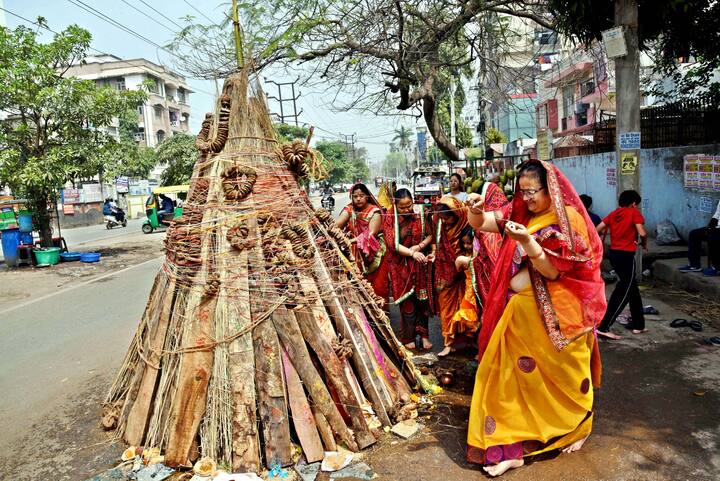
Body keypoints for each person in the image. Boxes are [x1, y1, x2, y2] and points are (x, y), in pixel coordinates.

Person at [465, 160, 606, 477]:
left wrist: (528, 242)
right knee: (501, 382)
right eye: (522, 191)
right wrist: (474, 209)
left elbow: (554, 271)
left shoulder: (567, 219)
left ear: (550, 189)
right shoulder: (523, 215)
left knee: (555, 387)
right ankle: (510, 449)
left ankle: (576, 426)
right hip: (518, 314)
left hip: (552, 319)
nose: (526, 198)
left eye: (532, 192)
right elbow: (484, 223)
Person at [383, 188, 435, 349]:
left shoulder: (421, 212)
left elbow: (430, 234)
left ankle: (424, 335)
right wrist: (412, 254)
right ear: (395, 205)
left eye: (409, 206)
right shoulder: (390, 217)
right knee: (407, 303)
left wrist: (420, 247)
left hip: (421, 263)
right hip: (401, 265)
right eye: (402, 207)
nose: (406, 210)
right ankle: (408, 338)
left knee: (423, 300)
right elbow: (392, 244)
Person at [596, 190, 648, 338]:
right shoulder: (633, 212)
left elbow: (597, 229)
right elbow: (642, 233)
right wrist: (643, 244)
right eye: (636, 204)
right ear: (633, 203)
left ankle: (639, 324)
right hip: (626, 255)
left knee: (632, 289)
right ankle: (604, 326)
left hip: (614, 254)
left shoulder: (614, 213)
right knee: (624, 290)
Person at [335, 183, 390, 302]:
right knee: (356, 288)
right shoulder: (349, 209)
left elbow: (370, 234)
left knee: (378, 289)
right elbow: (337, 225)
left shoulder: (374, 211)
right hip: (354, 255)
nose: (358, 199)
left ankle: (381, 318)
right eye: (355, 196)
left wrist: (349, 241)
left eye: (361, 196)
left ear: (367, 196)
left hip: (374, 255)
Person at [433, 196, 472, 357]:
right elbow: (438, 247)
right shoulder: (440, 227)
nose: (445, 222)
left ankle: (467, 342)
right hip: (444, 275)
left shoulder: (467, 227)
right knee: (446, 309)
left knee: (467, 308)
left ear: (457, 214)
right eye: (442, 218)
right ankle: (448, 343)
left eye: (448, 218)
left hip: (464, 276)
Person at [472, 181, 509, 306]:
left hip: (491, 282)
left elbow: (476, 256)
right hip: (510, 283)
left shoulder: (484, 227)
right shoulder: (510, 221)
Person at [679, 199, 720, 276]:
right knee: (694, 234)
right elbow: (718, 212)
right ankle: (694, 265)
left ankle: (717, 268)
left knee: (713, 238)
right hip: (716, 227)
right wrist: (712, 224)